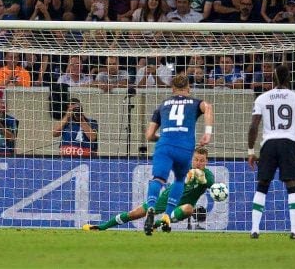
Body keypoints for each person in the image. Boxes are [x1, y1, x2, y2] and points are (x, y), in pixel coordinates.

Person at [247, 64, 295, 240]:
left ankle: (254, 230)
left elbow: (253, 126)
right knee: (292, 186)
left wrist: (250, 151)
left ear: (273, 78)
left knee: (262, 185)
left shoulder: (262, 98)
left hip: (268, 144)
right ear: (288, 78)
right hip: (289, 143)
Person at [143, 74, 213, 235]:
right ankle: (167, 216)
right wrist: (207, 133)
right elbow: (208, 108)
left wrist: (165, 138)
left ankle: (151, 208)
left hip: (165, 145)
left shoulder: (162, 106)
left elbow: (149, 135)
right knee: (180, 180)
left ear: (172, 89)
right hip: (184, 147)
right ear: (188, 88)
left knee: (158, 179)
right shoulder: (195, 103)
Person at [83, 147, 214, 231]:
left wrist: (215, 187)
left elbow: (212, 186)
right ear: (192, 160)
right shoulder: (185, 169)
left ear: (206, 162)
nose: (198, 163)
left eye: (202, 161)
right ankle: (101, 227)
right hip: (168, 197)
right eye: (196, 160)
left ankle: (156, 224)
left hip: (183, 205)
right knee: (134, 214)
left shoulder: (208, 175)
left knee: (189, 209)